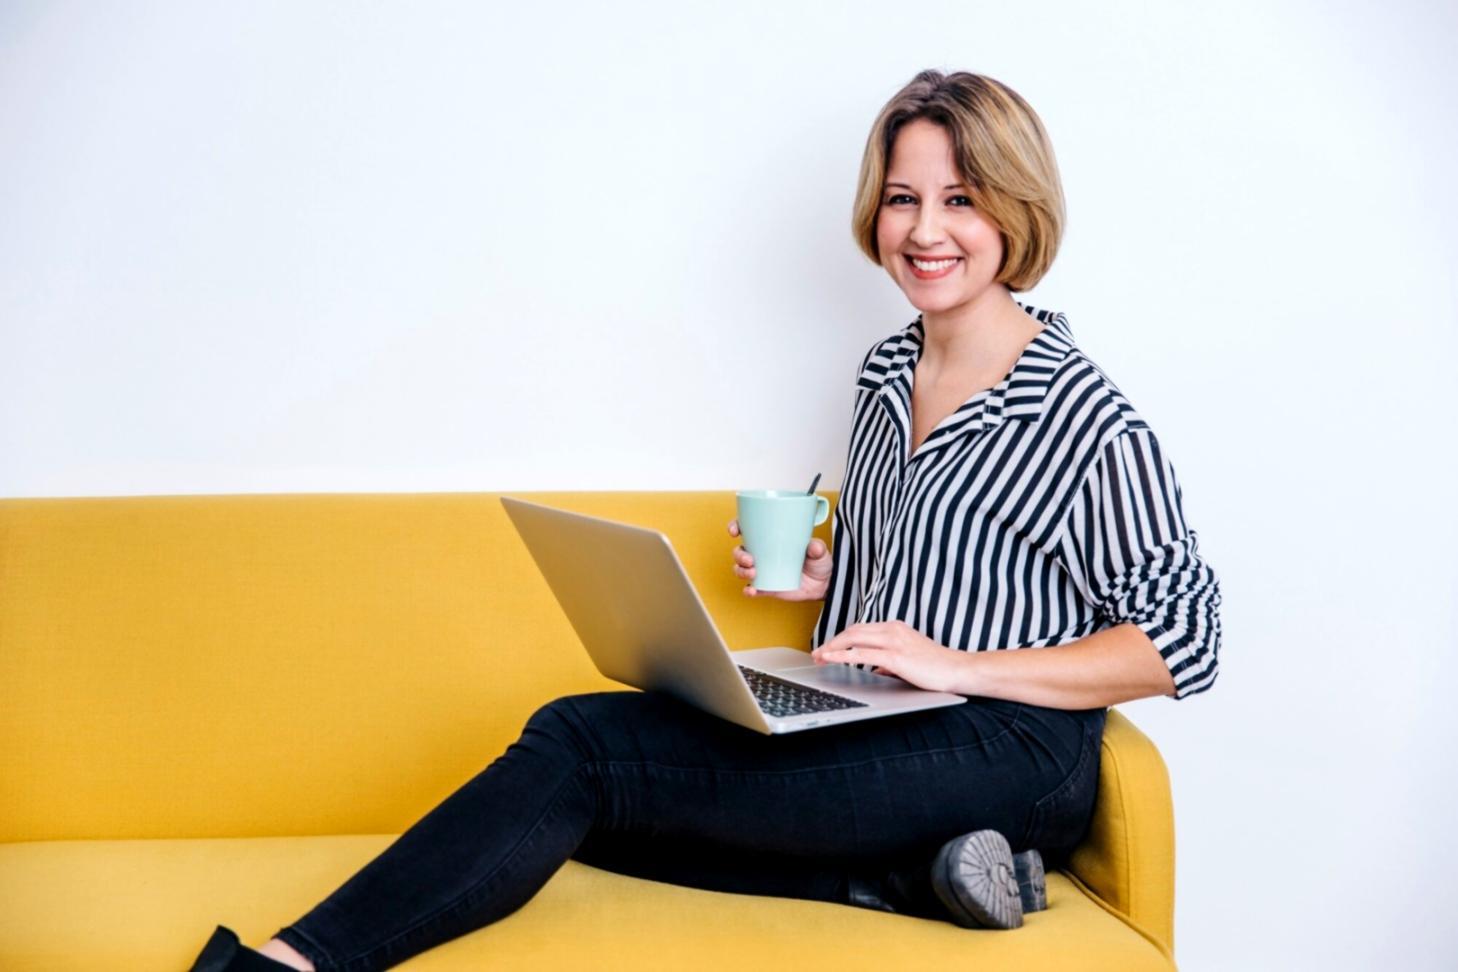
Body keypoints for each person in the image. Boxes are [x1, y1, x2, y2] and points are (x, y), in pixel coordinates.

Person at [187, 68, 1222, 972]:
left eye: (960, 199)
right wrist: (826, 578)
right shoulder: (883, 374)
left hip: (1012, 751)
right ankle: (911, 882)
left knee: (577, 749)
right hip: (887, 724)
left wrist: (964, 666)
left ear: (1015, 207)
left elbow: (1186, 639)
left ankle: (289, 965)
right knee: (588, 811)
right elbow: (928, 569)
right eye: (903, 198)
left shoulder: (1080, 409)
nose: (923, 231)